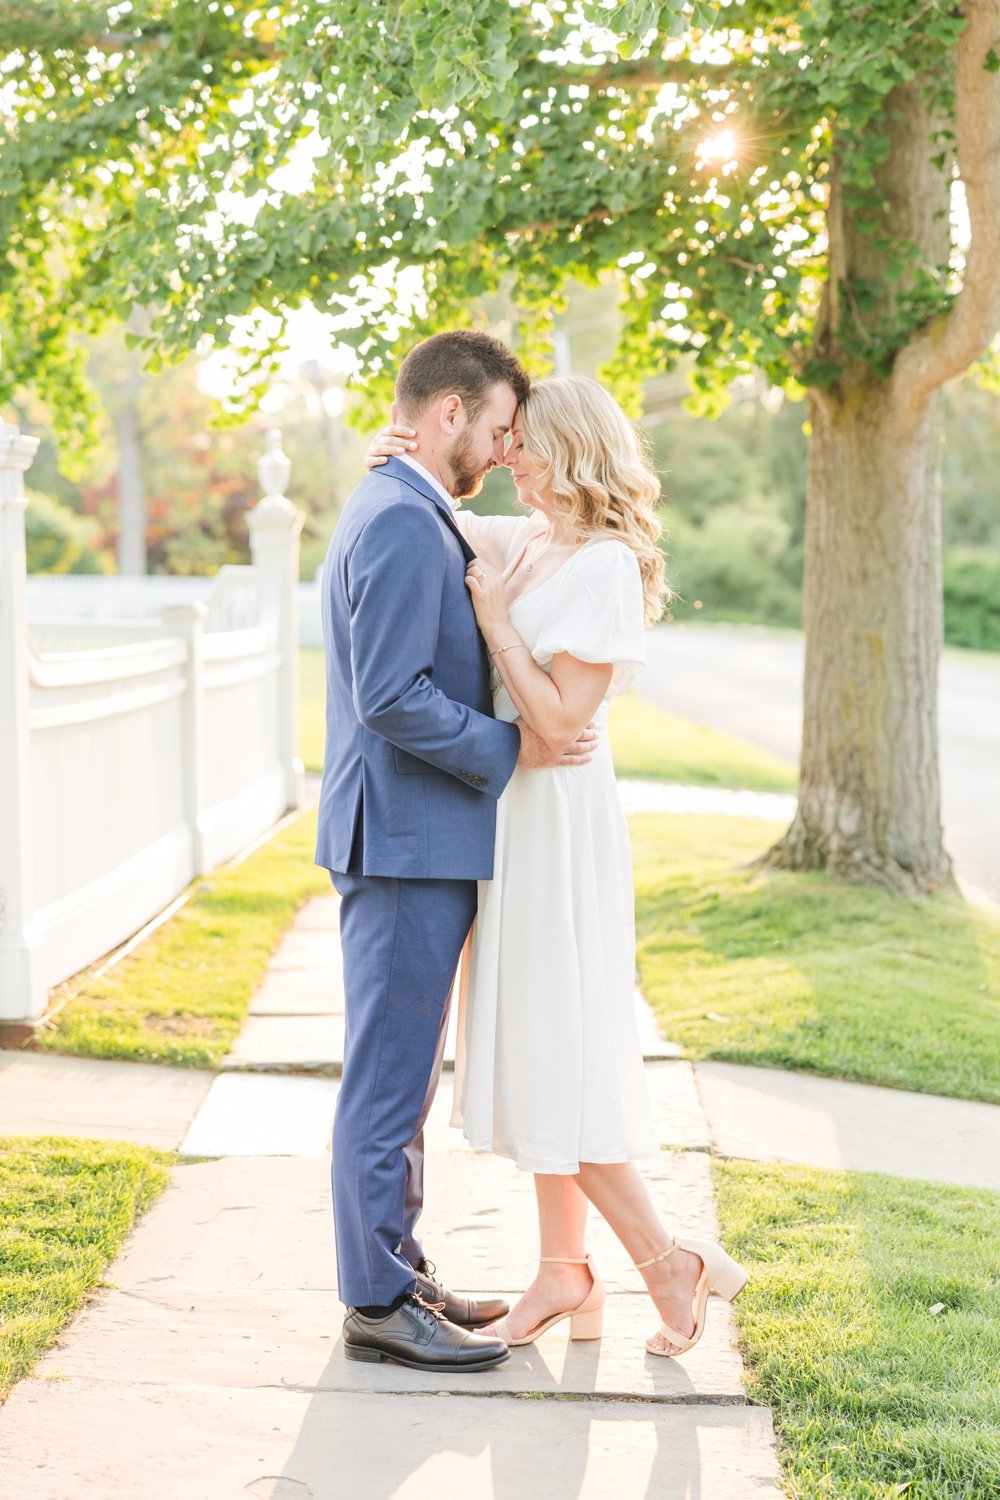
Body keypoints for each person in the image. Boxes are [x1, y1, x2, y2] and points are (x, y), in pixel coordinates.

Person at [365, 372, 748, 1358]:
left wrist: (496, 625)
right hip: (513, 826)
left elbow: (562, 719)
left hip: (561, 828)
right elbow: (445, 519)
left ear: (572, 449)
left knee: (563, 1059)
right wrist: (395, 457)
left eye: (525, 442)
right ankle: (562, 1273)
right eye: (504, 437)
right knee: (539, 1055)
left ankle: (670, 1263)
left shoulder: (606, 566)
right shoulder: (528, 539)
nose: (508, 455)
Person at [316, 330, 597, 1374]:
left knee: (402, 1085)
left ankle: (398, 1270)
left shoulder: (414, 502)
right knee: (386, 1088)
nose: (500, 444)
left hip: (417, 837)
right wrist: (516, 745)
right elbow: (391, 697)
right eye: (494, 426)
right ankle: (378, 1302)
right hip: (399, 842)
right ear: (449, 415)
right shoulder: (397, 517)